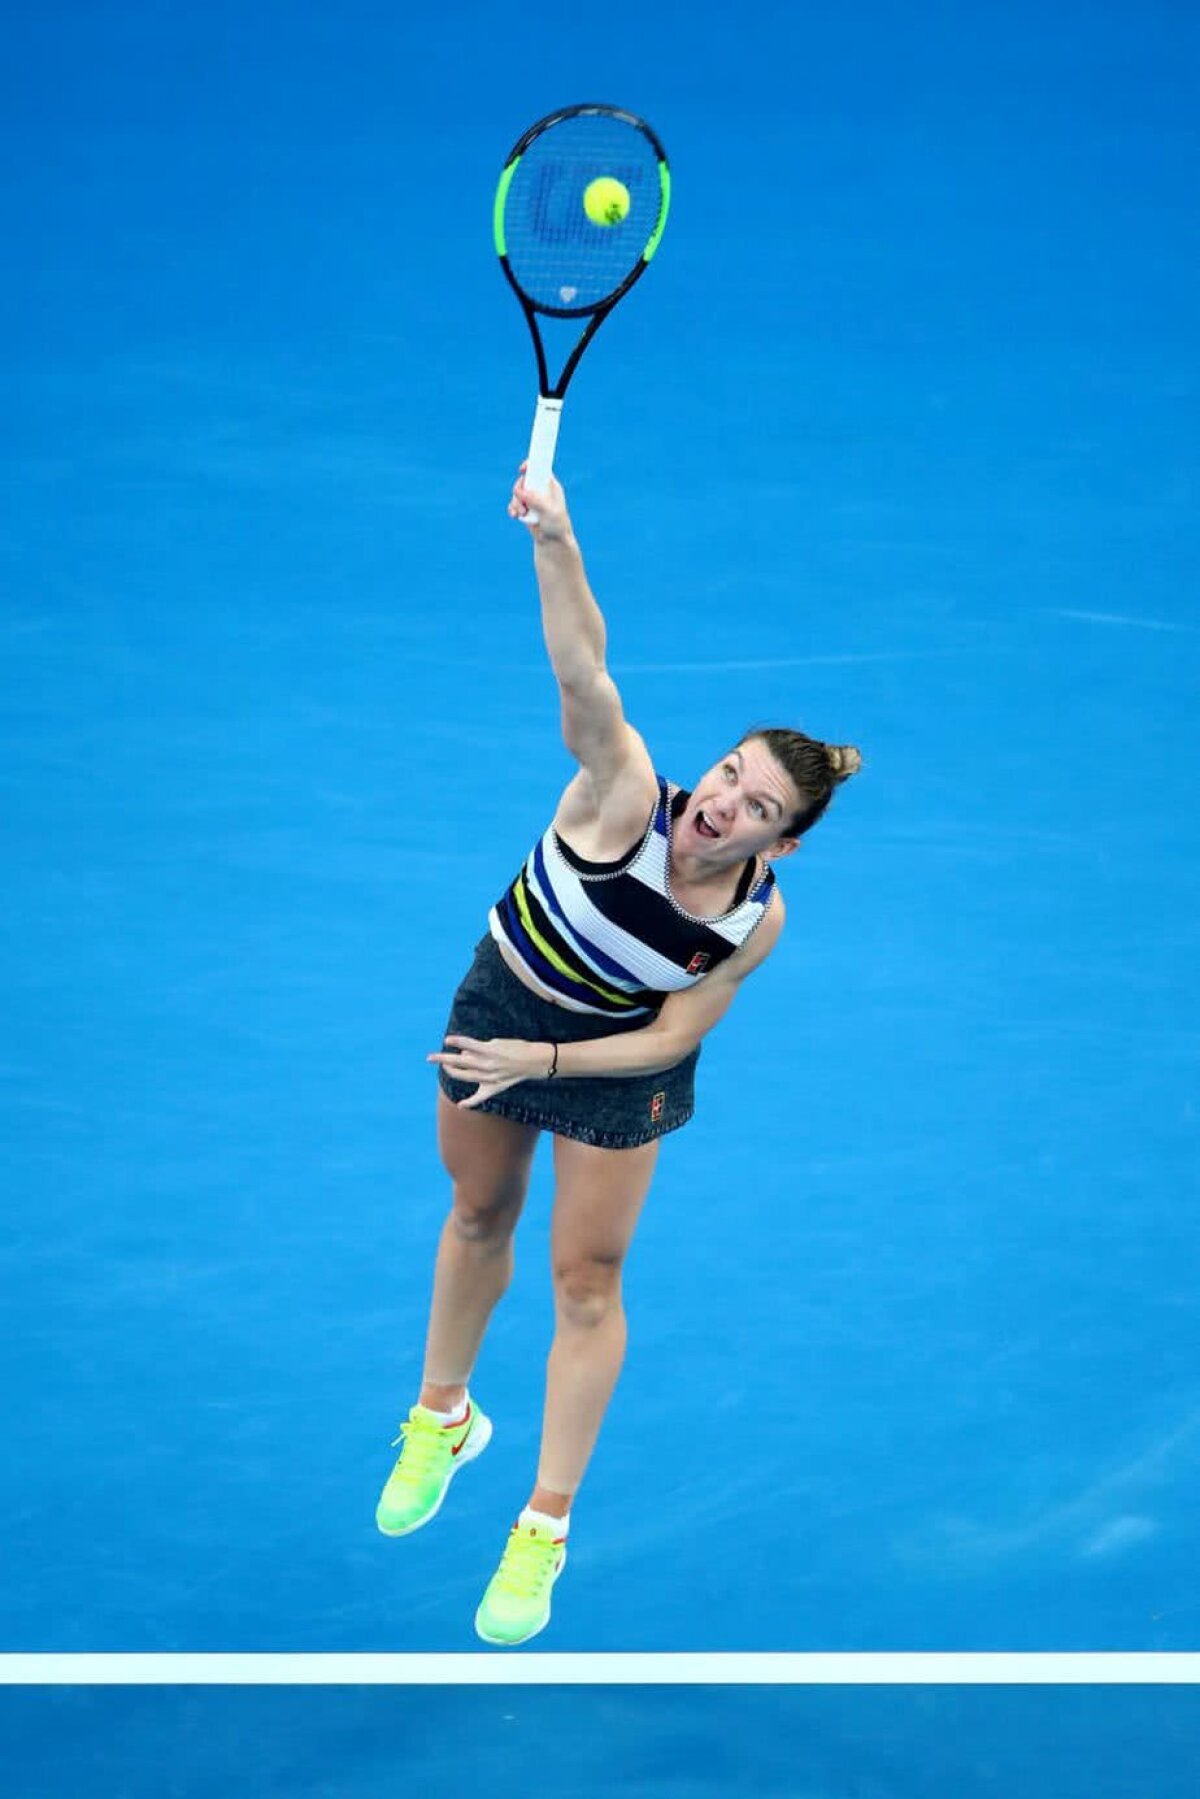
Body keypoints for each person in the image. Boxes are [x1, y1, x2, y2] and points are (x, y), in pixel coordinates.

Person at [375, 466, 861, 1647]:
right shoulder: (625, 791)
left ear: (781, 844)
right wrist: (557, 536)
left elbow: (672, 1033)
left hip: (613, 1060)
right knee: (477, 1212)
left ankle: (542, 1524)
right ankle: (444, 1414)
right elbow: (583, 668)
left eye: (752, 808)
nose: (723, 802)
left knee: (586, 1280)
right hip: (508, 997)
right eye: (730, 772)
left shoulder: (756, 919)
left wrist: (543, 1060)